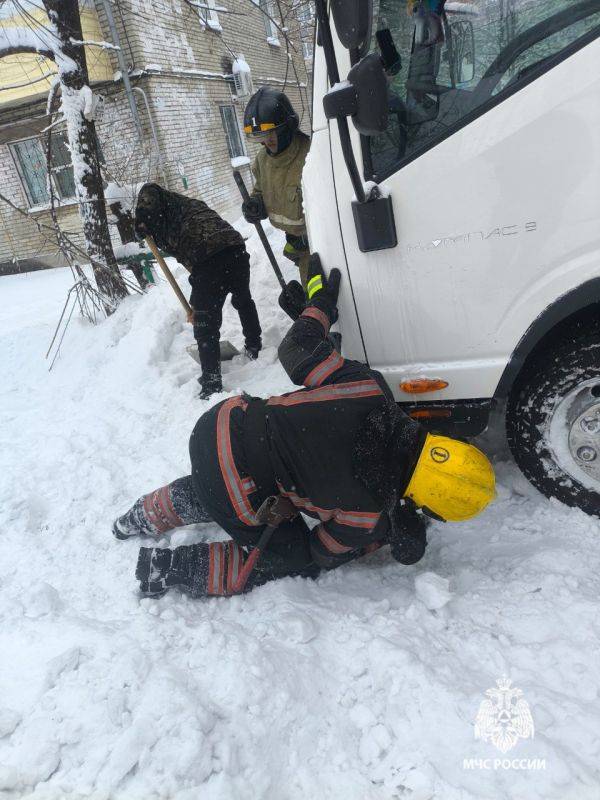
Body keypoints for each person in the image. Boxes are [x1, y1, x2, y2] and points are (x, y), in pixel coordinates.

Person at [113, 256, 496, 599]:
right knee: (291, 558)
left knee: (225, 479)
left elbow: (296, 348)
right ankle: (170, 569)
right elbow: (320, 551)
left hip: (221, 422)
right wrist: (385, 533)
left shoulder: (367, 389)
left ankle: (138, 515)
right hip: (233, 482)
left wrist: (319, 304)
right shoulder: (366, 516)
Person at [134, 182, 262, 399]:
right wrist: (199, 301)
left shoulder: (156, 206)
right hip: (235, 249)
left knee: (206, 326)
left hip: (209, 256)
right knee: (242, 300)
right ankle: (254, 344)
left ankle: (212, 382)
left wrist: (142, 219)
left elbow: (149, 195)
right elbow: (189, 250)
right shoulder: (185, 205)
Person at [241, 87, 311, 289]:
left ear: (285, 128)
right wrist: (255, 204)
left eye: (270, 134)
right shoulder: (263, 160)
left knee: (318, 295)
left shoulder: (311, 155)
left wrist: (309, 237)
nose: (265, 143)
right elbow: (261, 190)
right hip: (295, 243)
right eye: (260, 137)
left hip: (319, 247)